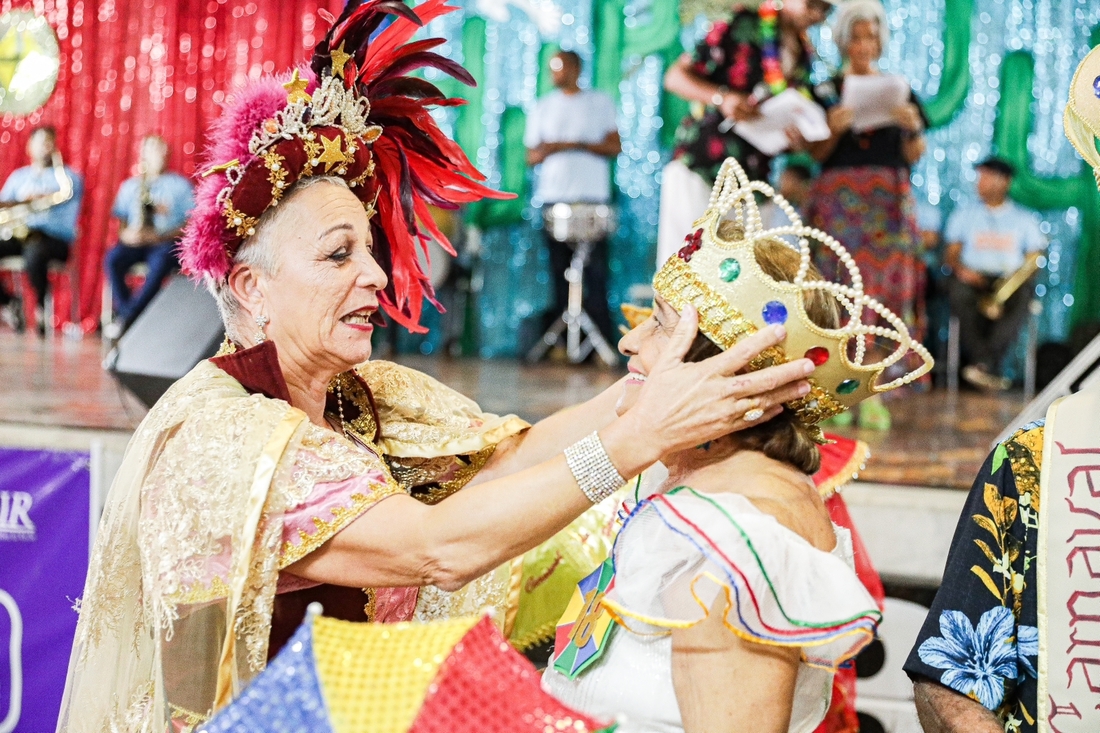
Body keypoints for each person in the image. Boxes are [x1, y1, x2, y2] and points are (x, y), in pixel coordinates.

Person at [57, 4, 816, 729]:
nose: (378, 277)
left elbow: (508, 458)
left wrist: (655, 378)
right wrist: (633, 442)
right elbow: (438, 547)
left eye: (371, 251)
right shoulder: (224, 440)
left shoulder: (358, 394)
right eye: (337, 255)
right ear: (253, 288)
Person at [543, 158, 932, 733]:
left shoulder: (739, 539)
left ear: (725, 372)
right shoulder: (692, 481)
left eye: (658, 324)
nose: (628, 339)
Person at [903, 44, 1100, 733]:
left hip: (1007, 288)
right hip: (971, 286)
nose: (986, 182)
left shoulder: (1023, 220)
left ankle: (991, 363)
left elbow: (1027, 267)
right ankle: (979, 368)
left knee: (1012, 303)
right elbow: (950, 679)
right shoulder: (1029, 468)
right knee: (960, 292)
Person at [804, 0, 926, 430]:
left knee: (881, 298)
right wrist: (833, 130)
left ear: (880, 41)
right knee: (838, 294)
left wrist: (911, 126)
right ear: (842, 41)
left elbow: (914, 155)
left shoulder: (900, 88)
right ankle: (838, 392)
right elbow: (812, 153)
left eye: (870, 35)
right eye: (855, 36)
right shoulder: (825, 91)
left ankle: (874, 393)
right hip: (838, 204)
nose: (863, 43)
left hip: (887, 206)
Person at [657, 0, 834, 265]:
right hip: (702, 168)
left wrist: (794, 140)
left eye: (826, 9)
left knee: (741, 284)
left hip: (752, 184)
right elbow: (674, 78)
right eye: (812, 4)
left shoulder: (804, 55)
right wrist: (722, 98)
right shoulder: (742, 23)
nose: (817, 14)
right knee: (688, 272)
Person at [525, 50, 622, 348]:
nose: (556, 72)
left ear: (576, 68)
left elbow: (614, 145)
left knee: (595, 275)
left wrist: (571, 144)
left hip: (592, 200)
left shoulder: (599, 103)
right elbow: (532, 155)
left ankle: (598, 345)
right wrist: (552, 149)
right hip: (555, 200)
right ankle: (562, 344)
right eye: (552, 68)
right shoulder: (543, 107)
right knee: (559, 274)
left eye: (561, 66)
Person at [943, 157, 1045, 392]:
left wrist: (1015, 280)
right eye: (980, 177)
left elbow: (1033, 259)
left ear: (1005, 182)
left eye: (987, 177)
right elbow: (951, 255)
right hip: (972, 277)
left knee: (1022, 298)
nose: (980, 183)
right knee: (958, 293)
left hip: (1008, 280)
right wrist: (964, 272)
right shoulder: (964, 215)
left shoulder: (1024, 218)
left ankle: (982, 365)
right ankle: (987, 365)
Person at [103, 135, 195, 340]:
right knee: (113, 259)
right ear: (143, 154)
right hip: (135, 242)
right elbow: (122, 222)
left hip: (163, 241)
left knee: (161, 261)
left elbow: (191, 223)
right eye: (152, 149)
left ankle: (127, 317)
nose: (158, 154)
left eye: (161, 149)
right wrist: (126, 235)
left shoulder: (180, 186)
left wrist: (160, 236)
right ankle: (132, 315)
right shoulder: (130, 186)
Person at [0, 125, 84, 336]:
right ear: (30, 146)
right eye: (40, 142)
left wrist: (44, 196)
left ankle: (40, 306)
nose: (45, 147)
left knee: (35, 254)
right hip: (20, 234)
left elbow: (68, 197)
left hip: (52, 239)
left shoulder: (67, 178)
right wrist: (21, 201)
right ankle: (8, 301)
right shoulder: (19, 177)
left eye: (49, 142)